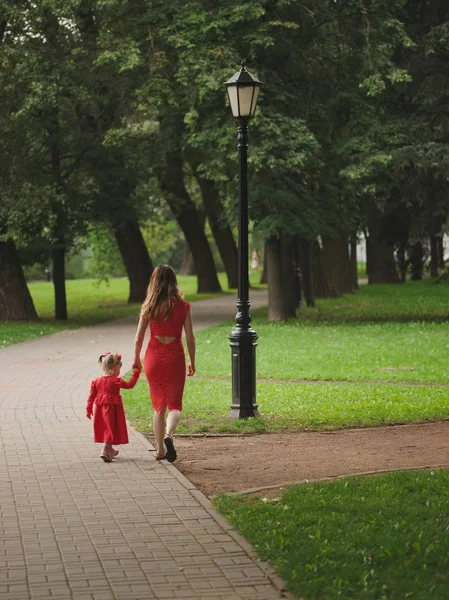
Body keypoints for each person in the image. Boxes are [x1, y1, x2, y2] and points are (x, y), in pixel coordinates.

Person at [133, 265, 195, 462]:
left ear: (154, 282)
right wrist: (192, 361)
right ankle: (170, 435)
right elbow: (190, 338)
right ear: (174, 281)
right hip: (175, 356)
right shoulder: (183, 307)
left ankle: (160, 450)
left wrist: (136, 359)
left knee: (158, 406)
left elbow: (138, 338)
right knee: (175, 405)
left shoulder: (148, 307)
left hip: (154, 357)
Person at [86, 352, 141, 462]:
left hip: (100, 410)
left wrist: (89, 409)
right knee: (111, 427)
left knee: (107, 428)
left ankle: (110, 449)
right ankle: (105, 450)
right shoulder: (116, 381)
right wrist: (136, 373)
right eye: (119, 368)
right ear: (115, 367)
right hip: (112, 410)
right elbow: (130, 385)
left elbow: (91, 397)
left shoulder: (96, 381)